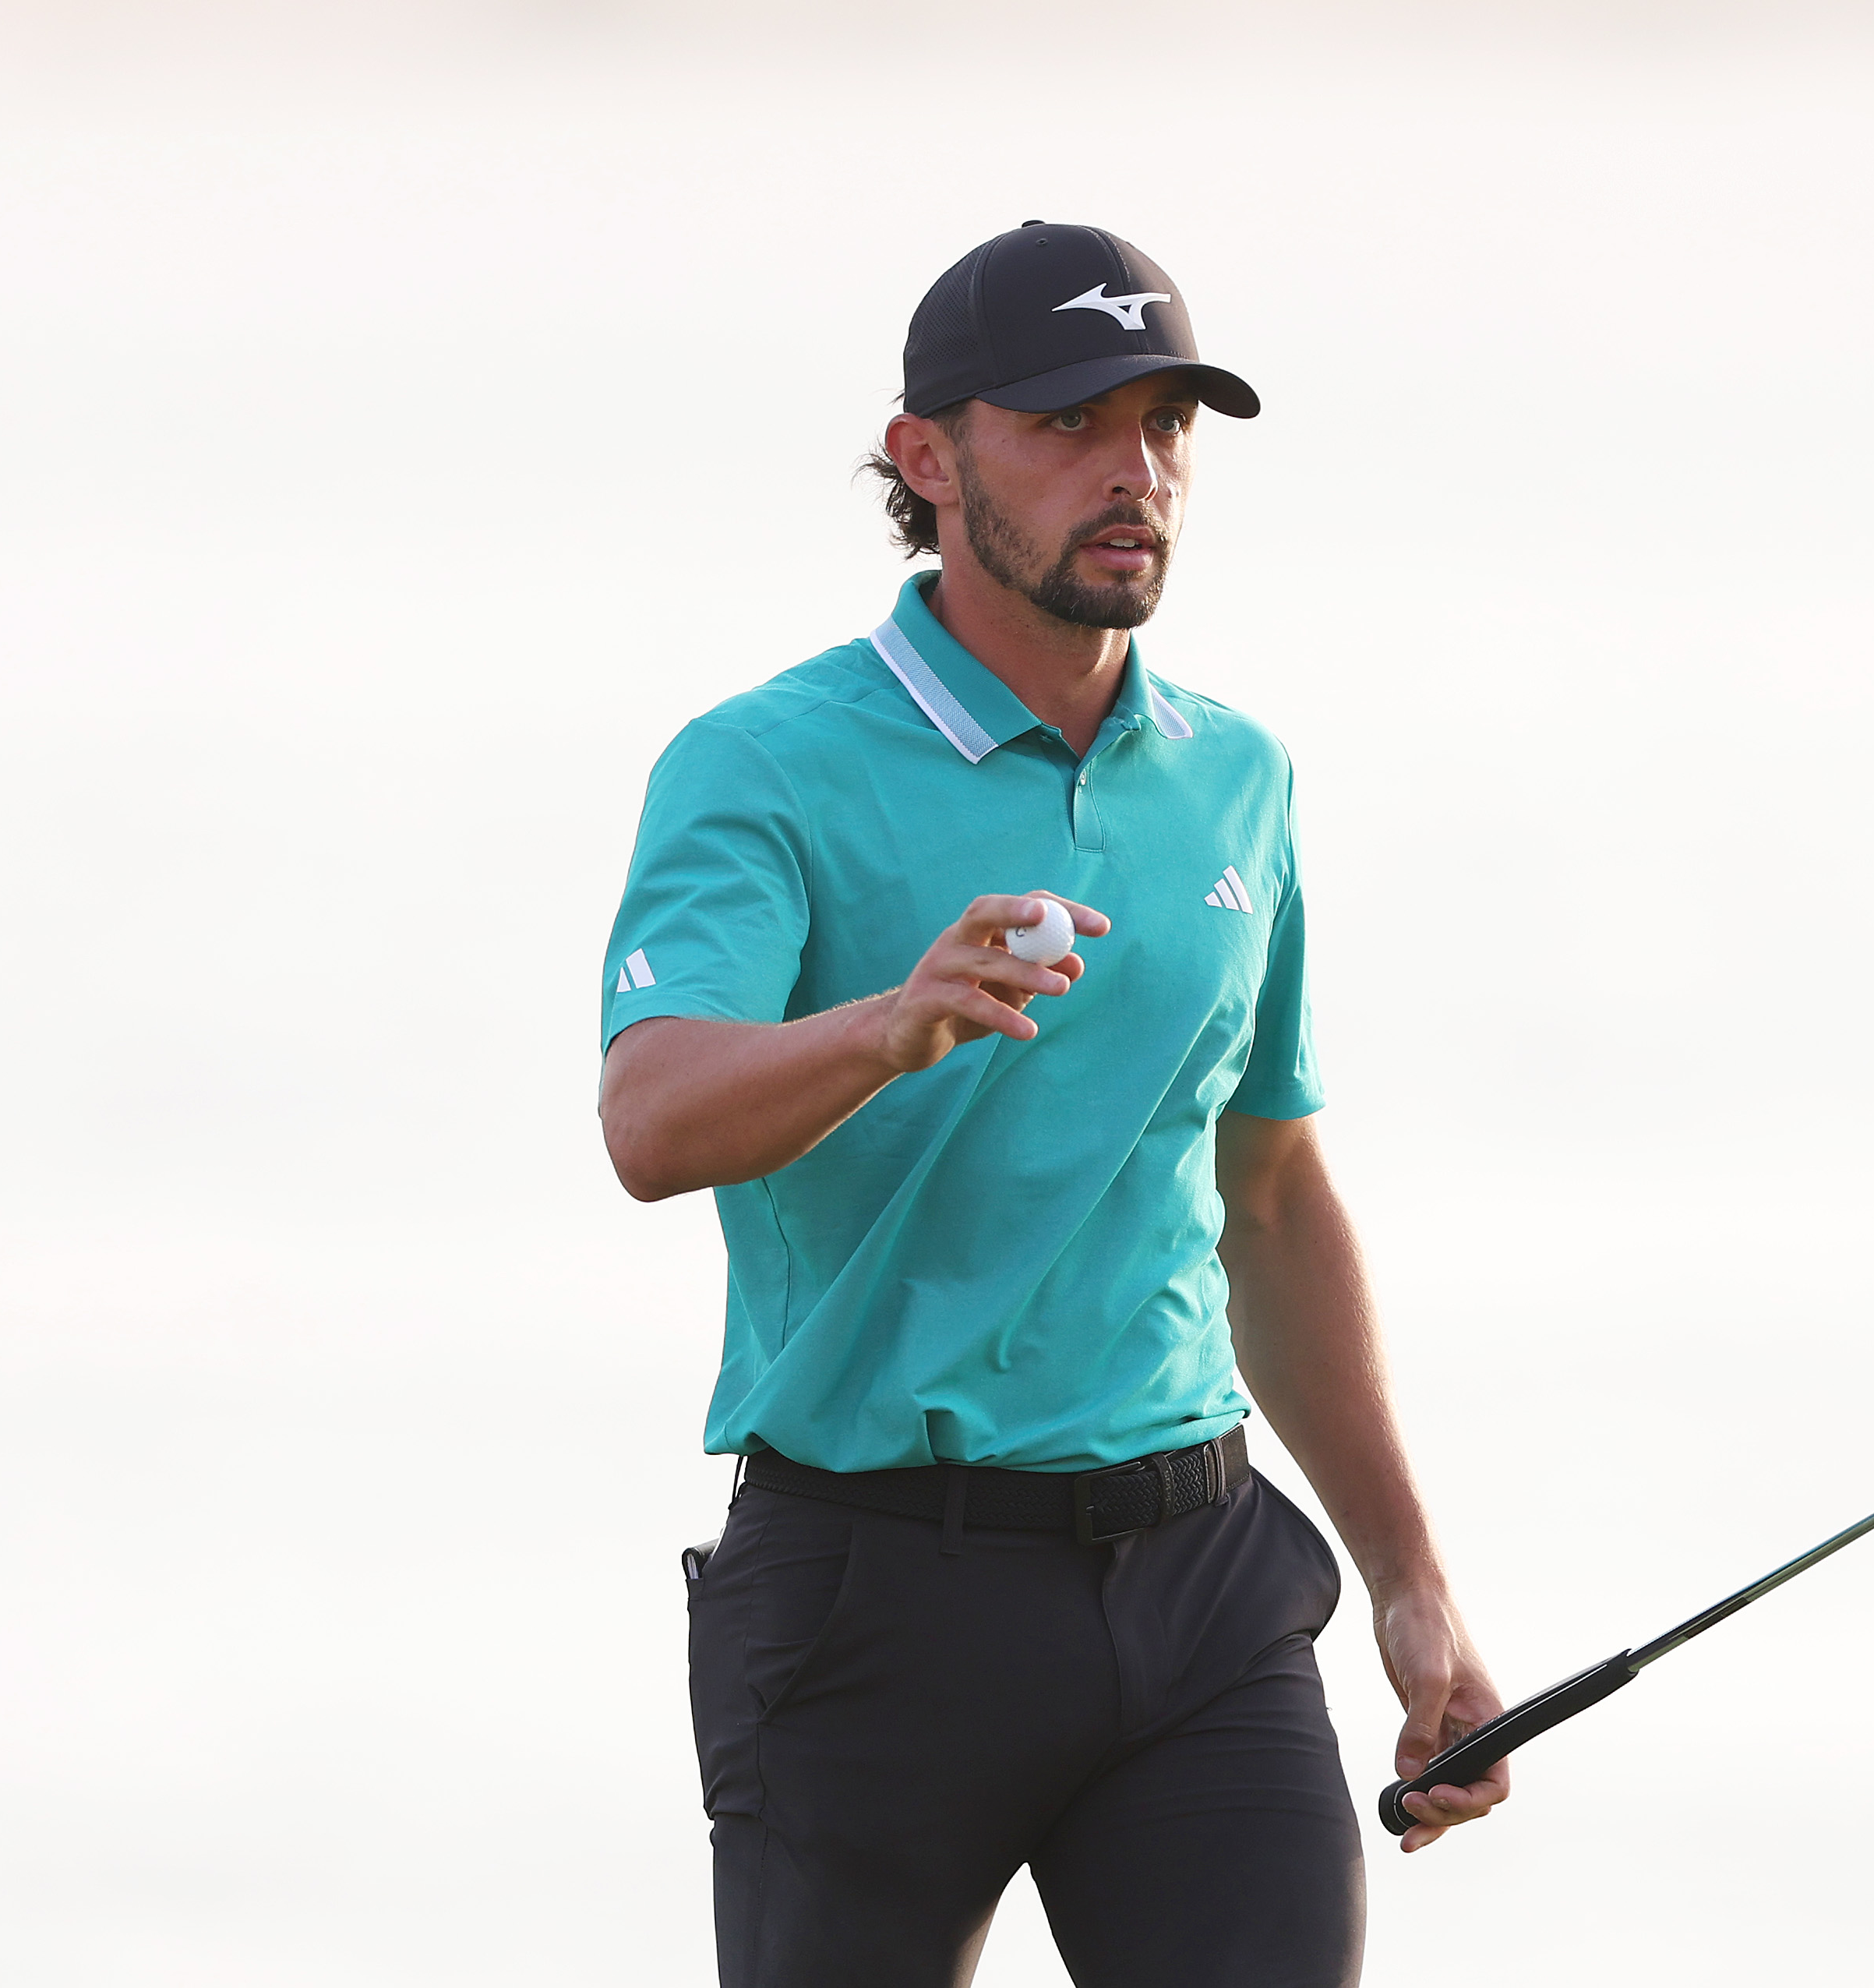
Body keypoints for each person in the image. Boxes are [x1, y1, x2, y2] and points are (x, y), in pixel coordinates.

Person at [595, 222, 1507, 1986]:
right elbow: (649, 1116)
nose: (1133, 474)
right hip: (872, 1595)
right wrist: (891, 1023)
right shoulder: (760, 764)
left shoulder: (1235, 776)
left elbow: (1270, 1194)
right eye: (1071, 425)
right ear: (924, 460)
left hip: (1200, 1588)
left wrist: (1406, 1579)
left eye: (1165, 427)